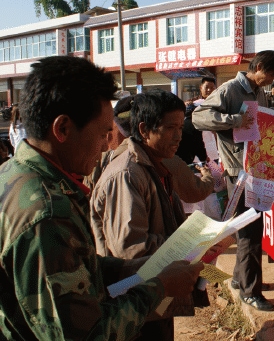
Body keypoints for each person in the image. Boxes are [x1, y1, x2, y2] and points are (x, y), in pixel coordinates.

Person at [0, 56, 204, 340]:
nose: (108, 145)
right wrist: (159, 288)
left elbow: (82, 269)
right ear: (62, 129)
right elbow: (85, 334)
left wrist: (139, 269)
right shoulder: (47, 214)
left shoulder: (17, 174)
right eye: (102, 133)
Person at [89, 89, 213, 340]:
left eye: (180, 127)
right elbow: (130, 249)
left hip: (154, 295)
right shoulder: (127, 175)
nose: (179, 136)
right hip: (135, 301)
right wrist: (191, 244)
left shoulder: (157, 164)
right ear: (144, 130)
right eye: (170, 128)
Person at [192, 50, 274, 311]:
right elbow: (198, 117)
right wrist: (234, 119)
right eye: (271, 73)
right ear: (257, 66)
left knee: (246, 228)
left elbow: (258, 121)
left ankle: (239, 279)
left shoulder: (258, 91)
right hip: (237, 173)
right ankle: (249, 291)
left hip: (253, 169)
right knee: (250, 232)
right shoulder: (230, 89)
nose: (272, 79)